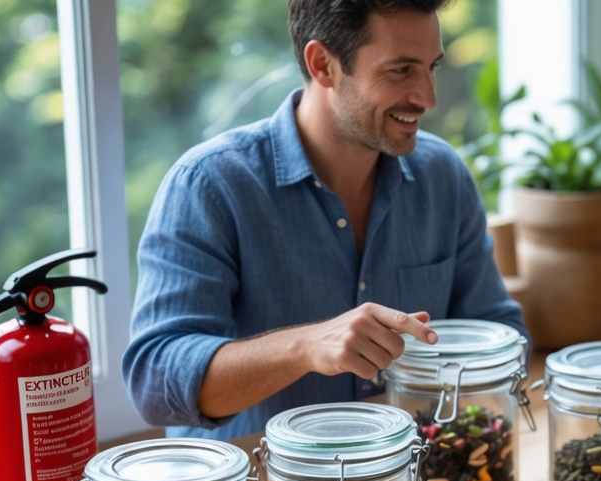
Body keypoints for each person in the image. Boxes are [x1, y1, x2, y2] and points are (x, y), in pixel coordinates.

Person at [123, 0, 526, 440]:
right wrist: (305, 347)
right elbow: (154, 383)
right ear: (323, 65)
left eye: (432, 67)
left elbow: (504, 334)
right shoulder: (209, 185)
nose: (428, 97)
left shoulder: (443, 176)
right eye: (401, 70)